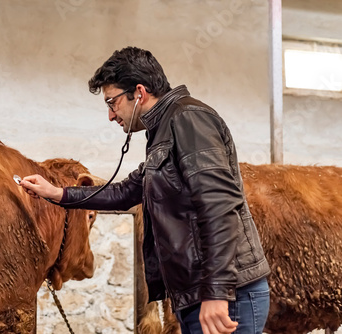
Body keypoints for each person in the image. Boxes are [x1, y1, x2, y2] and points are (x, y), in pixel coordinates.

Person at [20, 47, 270, 334]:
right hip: (200, 293)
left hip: (226, 294)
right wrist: (58, 194)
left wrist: (216, 291)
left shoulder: (189, 120)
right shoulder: (164, 129)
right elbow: (126, 191)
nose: (111, 116)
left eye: (112, 103)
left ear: (139, 92)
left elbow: (219, 206)